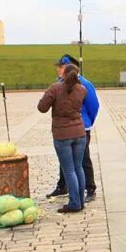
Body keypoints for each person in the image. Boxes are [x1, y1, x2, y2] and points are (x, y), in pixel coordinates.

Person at [46, 54, 100, 202]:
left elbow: (93, 105)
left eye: (61, 67)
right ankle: (63, 186)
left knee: (83, 159)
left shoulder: (84, 84)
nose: (58, 69)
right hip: (67, 128)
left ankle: (90, 188)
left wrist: (87, 122)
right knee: (65, 160)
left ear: (69, 68)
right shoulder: (60, 83)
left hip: (81, 127)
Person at [37, 63, 87, 214]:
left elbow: (42, 107)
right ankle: (80, 201)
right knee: (78, 167)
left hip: (62, 134)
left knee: (69, 169)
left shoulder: (55, 88)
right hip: (79, 132)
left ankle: (74, 203)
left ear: (63, 73)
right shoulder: (82, 89)